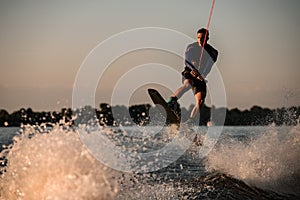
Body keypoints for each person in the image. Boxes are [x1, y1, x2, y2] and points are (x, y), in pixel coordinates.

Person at [167, 28, 218, 125]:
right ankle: (171, 101)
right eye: (198, 37)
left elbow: (209, 66)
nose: (200, 40)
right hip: (189, 72)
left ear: (207, 38)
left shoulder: (213, 52)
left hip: (201, 76)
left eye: (202, 38)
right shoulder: (191, 47)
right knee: (188, 84)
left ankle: (190, 121)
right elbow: (187, 61)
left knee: (201, 100)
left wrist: (202, 75)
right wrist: (194, 71)